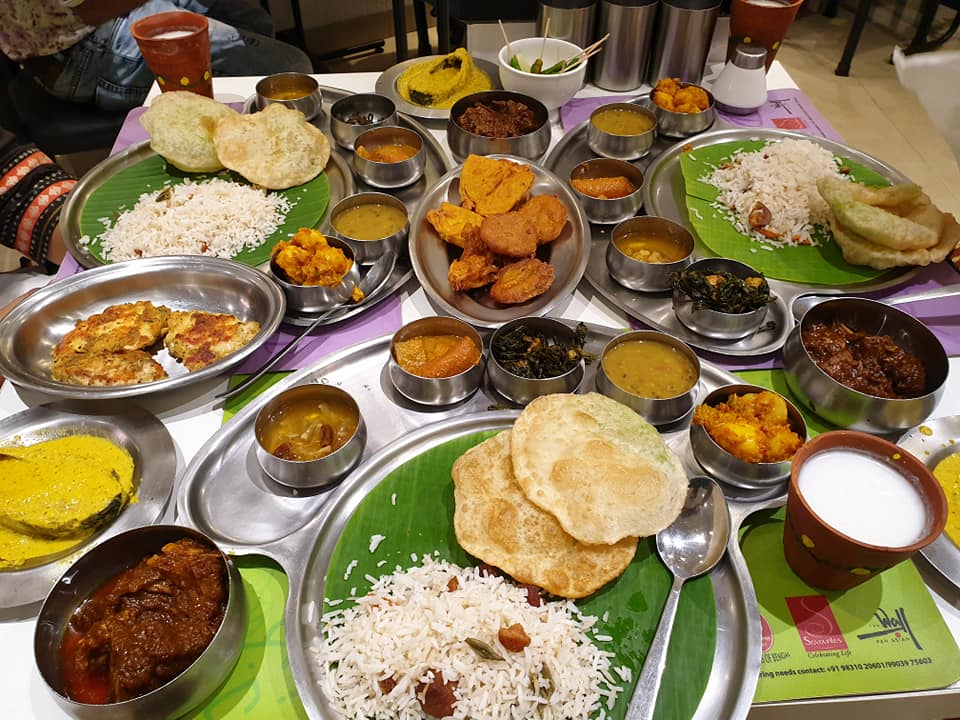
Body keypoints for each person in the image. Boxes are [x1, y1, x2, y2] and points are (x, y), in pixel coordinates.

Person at [0, 0, 313, 112]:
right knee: (288, 68)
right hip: (76, 44)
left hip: (95, 15)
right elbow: (91, 9)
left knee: (256, 25)